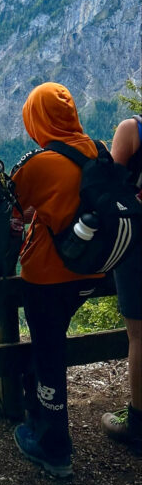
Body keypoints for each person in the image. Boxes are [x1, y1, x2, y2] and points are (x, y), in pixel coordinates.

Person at [11, 81, 102, 477]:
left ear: (38, 118)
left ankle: (54, 449)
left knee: (48, 353)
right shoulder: (99, 151)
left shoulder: (39, 163)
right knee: (51, 346)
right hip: (92, 271)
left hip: (48, 275)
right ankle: (37, 422)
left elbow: (6, 207)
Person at [101, 114, 142, 450]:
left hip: (138, 246)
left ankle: (138, 422)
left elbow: (112, 189)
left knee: (139, 334)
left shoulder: (133, 130)